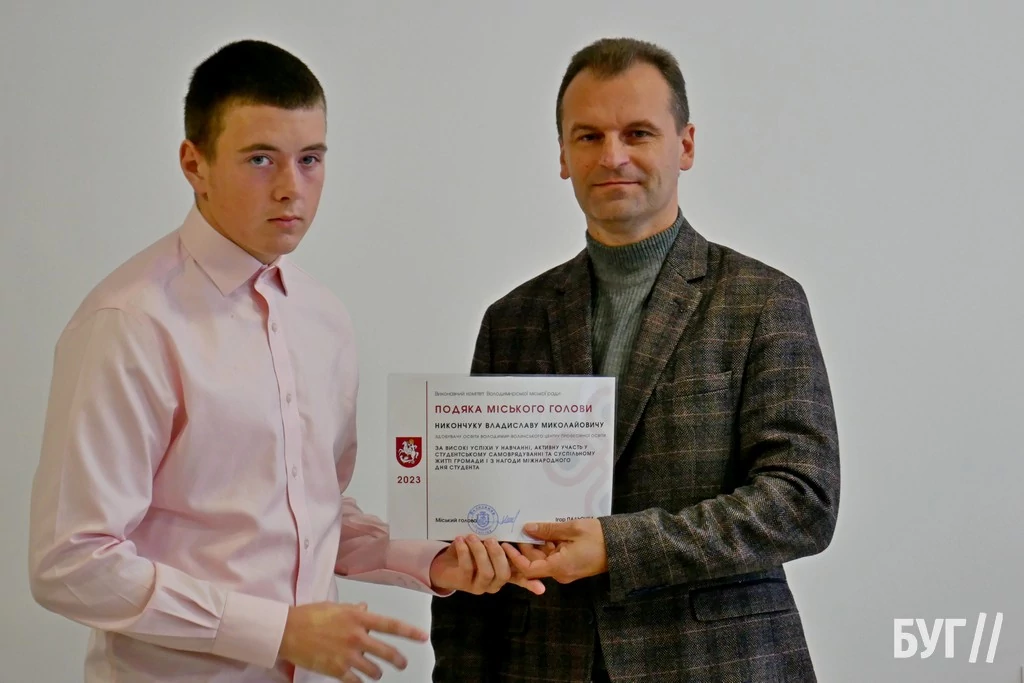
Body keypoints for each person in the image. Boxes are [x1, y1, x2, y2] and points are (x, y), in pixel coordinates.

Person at [28, 39, 539, 683]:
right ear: (194, 164)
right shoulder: (129, 322)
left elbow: (316, 514)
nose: (291, 188)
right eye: (260, 159)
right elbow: (71, 563)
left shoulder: (323, 318)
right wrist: (277, 630)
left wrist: (432, 561)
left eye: (310, 159)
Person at [430, 37, 840, 682]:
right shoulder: (511, 319)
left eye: (638, 133)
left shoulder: (762, 300)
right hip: (541, 665)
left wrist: (617, 547)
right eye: (588, 136)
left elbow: (802, 501)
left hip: (716, 664)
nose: (612, 156)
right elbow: (474, 526)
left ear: (686, 145)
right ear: (562, 155)